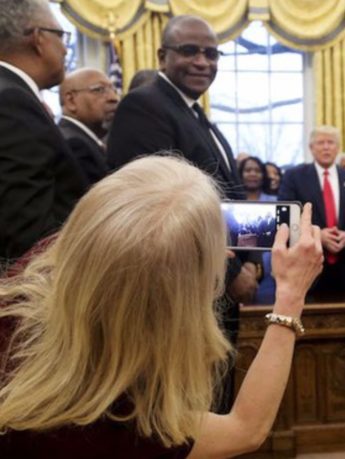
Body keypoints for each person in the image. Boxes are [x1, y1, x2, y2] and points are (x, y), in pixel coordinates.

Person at [0, 155, 323, 458]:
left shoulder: (17, 298)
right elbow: (245, 429)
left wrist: (179, 249)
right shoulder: (132, 424)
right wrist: (291, 295)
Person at [106, 14, 258, 412]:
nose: (202, 62)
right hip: (182, 290)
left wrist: (256, 257)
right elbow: (158, 208)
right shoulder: (145, 106)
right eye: (189, 51)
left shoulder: (192, 112)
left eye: (211, 53)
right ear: (162, 56)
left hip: (212, 290)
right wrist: (229, 272)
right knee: (187, 418)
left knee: (213, 407)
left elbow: (225, 198)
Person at [0, 0, 88, 267]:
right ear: (38, 38)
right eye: (61, 36)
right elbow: (28, 236)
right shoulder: (11, 100)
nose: (64, 49)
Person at [278, 125, 345, 295]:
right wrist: (317, 234)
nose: (326, 147)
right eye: (321, 143)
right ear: (311, 148)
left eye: (331, 142)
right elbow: (285, 215)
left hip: (344, 267)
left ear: (338, 147)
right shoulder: (294, 176)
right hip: (305, 266)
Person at [58, 68, 119, 185]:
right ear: (71, 101)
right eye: (99, 90)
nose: (113, 98)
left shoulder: (84, 139)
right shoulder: (73, 144)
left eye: (114, 90)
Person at [238, 156, 277, 304]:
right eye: (248, 170)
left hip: (271, 269)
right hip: (241, 267)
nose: (252, 174)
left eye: (257, 170)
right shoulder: (234, 202)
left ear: (263, 175)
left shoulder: (275, 201)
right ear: (240, 174)